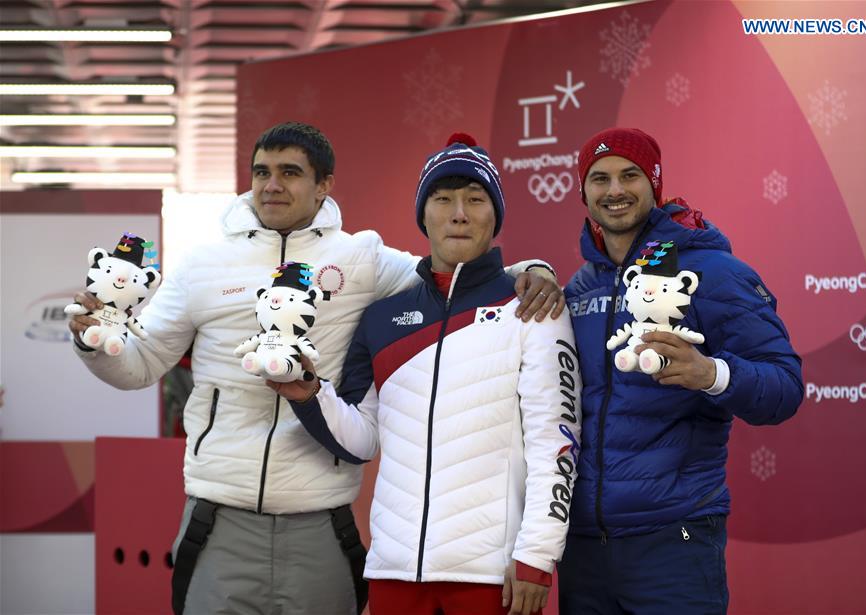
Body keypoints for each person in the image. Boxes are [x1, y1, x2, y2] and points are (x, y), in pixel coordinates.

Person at [66, 122, 565, 615]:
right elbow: (140, 365)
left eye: (290, 172)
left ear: (324, 185)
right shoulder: (203, 264)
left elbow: (449, 270)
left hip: (320, 517)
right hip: (220, 512)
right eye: (261, 171)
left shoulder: (360, 257)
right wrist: (95, 343)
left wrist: (531, 271)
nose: (272, 185)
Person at [271, 134, 582, 615]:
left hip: (491, 578)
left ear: (494, 216)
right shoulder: (382, 317)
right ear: (424, 215)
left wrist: (536, 558)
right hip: (394, 571)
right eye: (443, 199)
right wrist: (310, 396)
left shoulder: (534, 307)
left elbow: (556, 443)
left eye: (476, 199)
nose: (459, 213)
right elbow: (363, 440)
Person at [558, 128, 803, 614]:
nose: (615, 190)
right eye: (600, 178)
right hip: (583, 546)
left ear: (655, 184)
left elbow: (785, 386)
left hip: (674, 537)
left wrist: (711, 374)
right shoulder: (579, 287)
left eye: (630, 175)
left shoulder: (712, 271)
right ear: (582, 192)